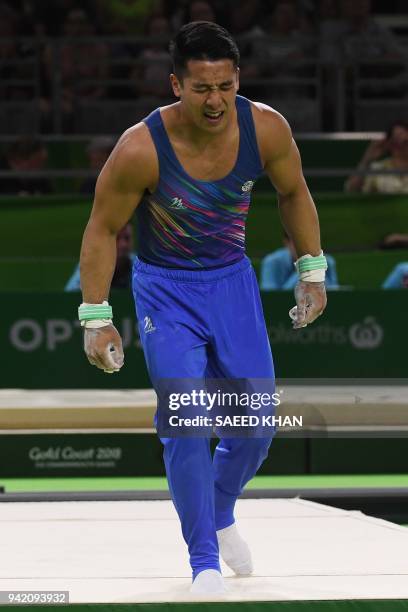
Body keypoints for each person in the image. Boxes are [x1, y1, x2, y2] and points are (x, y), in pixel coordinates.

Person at [76, 21, 327, 594]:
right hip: (165, 289)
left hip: (233, 283)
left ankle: (215, 509)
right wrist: (96, 316)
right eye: (201, 89)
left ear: (238, 80)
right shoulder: (140, 148)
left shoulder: (265, 129)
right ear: (175, 85)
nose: (215, 101)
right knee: (186, 423)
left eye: (225, 87)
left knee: (256, 425)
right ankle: (204, 558)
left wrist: (311, 269)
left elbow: (294, 193)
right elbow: (101, 229)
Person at [65, 221, 135, 291]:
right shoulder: (90, 264)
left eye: (127, 238)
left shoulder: (139, 264)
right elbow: (71, 293)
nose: (123, 245)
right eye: (117, 238)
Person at [345, 121, 408, 193]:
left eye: (406, 141)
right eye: (397, 139)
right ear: (390, 144)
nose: (402, 143)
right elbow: (351, 190)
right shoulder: (377, 169)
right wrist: (366, 160)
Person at [260, 232, 338, 290]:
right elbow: (270, 299)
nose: (306, 247)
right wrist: (304, 270)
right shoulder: (272, 262)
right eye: (299, 241)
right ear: (287, 242)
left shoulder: (327, 261)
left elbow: (335, 293)